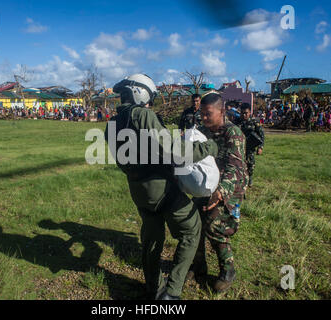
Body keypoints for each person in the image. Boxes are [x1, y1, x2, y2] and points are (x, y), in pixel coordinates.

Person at [105, 74, 218, 300]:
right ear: (141, 93)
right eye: (150, 98)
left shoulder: (111, 124)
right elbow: (175, 152)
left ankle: (154, 289)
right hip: (162, 190)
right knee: (191, 228)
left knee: (151, 241)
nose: (150, 103)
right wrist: (208, 147)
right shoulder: (143, 115)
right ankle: (172, 292)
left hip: (138, 191)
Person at [187, 93, 247, 293]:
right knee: (194, 224)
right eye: (201, 114)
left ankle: (227, 271)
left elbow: (235, 168)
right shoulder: (202, 131)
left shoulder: (233, 133)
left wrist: (220, 192)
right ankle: (198, 266)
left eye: (208, 114)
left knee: (215, 226)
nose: (203, 118)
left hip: (229, 188)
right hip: (205, 185)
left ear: (222, 111)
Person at [239, 103, 264, 187]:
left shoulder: (254, 122)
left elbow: (261, 135)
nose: (244, 115)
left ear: (250, 112)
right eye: (242, 113)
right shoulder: (236, 122)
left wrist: (260, 147)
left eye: (246, 113)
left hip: (250, 147)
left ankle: (250, 178)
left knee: (250, 164)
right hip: (239, 147)